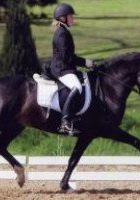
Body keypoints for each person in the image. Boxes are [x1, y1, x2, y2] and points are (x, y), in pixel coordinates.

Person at [50, 3, 96, 135]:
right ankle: (65, 122)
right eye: (71, 17)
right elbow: (67, 57)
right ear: (63, 18)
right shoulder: (61, 34)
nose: (73, 19)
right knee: (77, 87)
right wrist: (85, 62)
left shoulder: (64, 31)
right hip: (61, 69)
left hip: (66, 67)